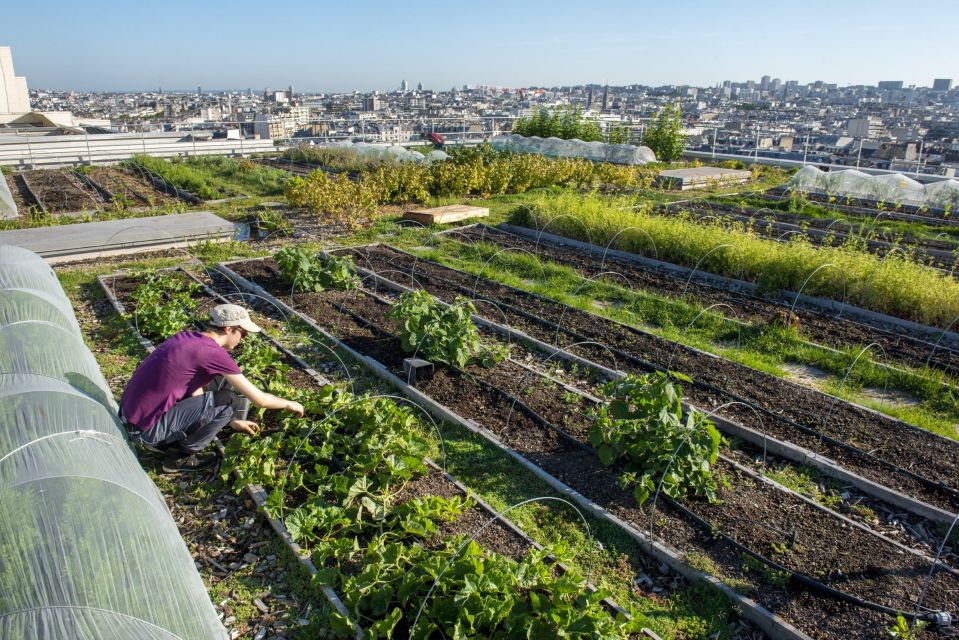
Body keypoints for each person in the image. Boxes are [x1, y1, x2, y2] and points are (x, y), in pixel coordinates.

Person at [120, 304, 304, 473]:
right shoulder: (213, 353)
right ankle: (178, 458)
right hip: (145, 431)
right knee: (227, 400)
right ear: (228, 329)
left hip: (130, 418)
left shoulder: (188, 338)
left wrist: (231, 421)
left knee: (213, 389)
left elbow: (193, 387)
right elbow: (260, 400)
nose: (243, 339)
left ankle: (167, 441)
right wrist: (290, 404)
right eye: (243, 333)